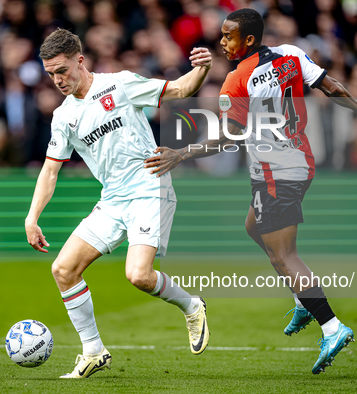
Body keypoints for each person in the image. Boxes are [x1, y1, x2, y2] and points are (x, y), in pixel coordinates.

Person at [144, 9, 357, 374]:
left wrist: (181, 153)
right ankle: (304, 300)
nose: (221, 42)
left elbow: (226, 136)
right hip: (299, 159)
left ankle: (332, 326)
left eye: (228, 36)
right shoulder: (291, 53)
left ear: (248, 40)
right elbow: (329, 85)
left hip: (276, 172)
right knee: (254, 228)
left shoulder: (236, 81)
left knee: (285, 257)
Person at [25, 28, 212, 379]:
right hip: (112, 199)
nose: (58, 80)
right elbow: (50, 172)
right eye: (51, 74)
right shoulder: (64, 116)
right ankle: (93, 351)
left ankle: (192, 306)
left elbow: (181, 89)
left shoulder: (120, 84)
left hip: (149, 188)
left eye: (62, 70)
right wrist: (32, 217)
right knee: (63, 270)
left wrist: (202, 67)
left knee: (138, 275)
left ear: (80, 60)